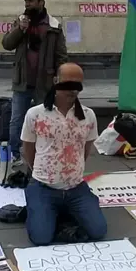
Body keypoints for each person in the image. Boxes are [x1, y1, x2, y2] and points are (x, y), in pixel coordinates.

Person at [21, 63, 106, 246]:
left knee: (98, 231)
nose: (72, 90)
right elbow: (28, 148)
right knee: (41, 238)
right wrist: (41, 172)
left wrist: (71, 172)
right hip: (44, 187)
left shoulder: (88, 116)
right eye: (67, 84)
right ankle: (39, 208)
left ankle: (62, 212)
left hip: (75, 187)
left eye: (77, 85)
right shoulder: (35, 114)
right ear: (55, 82)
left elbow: (85, 149)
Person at [2, 0, 68, 167]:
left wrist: (60, 75)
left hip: (44, 82)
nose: (27, 3)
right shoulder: (21, 22)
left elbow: (61, 55)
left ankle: (43, 152)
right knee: (17, 119)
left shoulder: (53, 25)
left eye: (31, 0)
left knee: (45, 119)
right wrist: (20, 29)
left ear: (41, 1)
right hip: (22, 80)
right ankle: (14, 154)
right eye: (25, 0)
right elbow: (7, 44)